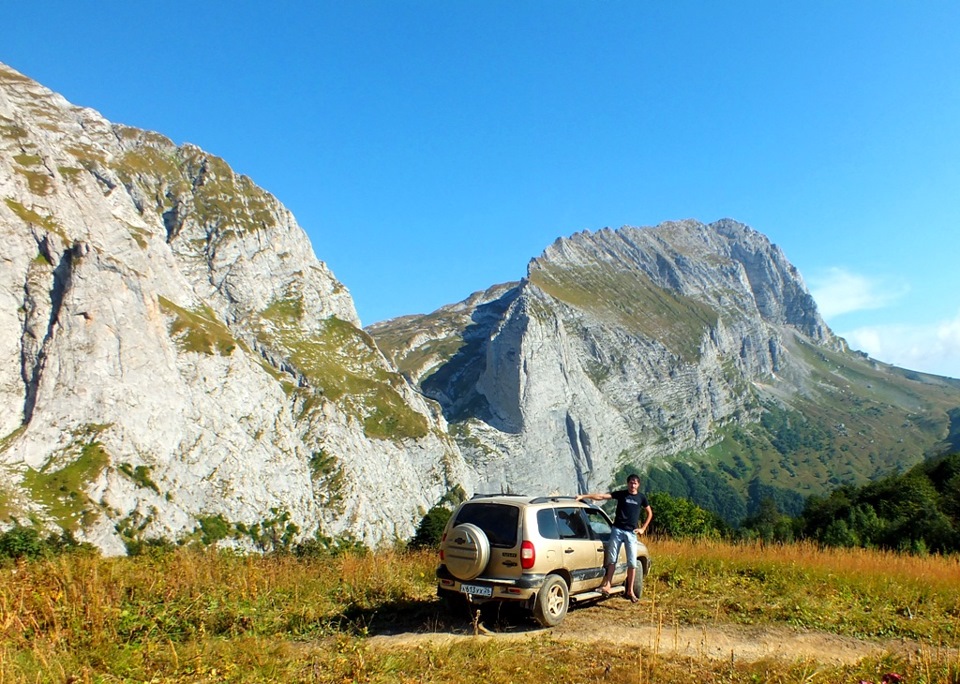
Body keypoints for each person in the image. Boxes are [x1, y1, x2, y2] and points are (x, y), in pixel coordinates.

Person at [576, 473, 652, 603]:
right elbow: (602, 496)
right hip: (617, 530)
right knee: (612, 559)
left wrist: (643, 528)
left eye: (635, 483)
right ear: (628, 483)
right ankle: (608, 585)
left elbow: (649, 513)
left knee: (632, 563)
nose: (633, 485)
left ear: (638, 485)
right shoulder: (621, 494)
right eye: (631, 482)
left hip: (631, 533)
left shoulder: (641, 498)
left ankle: (630, 591)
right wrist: (584, 496)